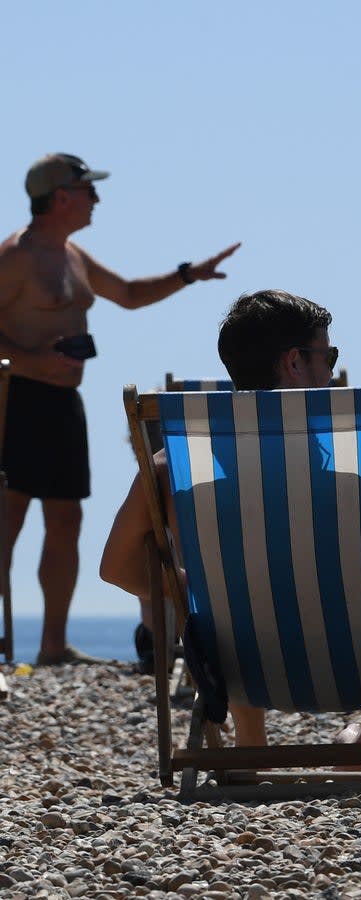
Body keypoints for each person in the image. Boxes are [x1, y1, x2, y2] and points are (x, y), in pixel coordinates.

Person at [100, 289, 361, 747]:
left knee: (236, 598)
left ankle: (250, 740)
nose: (331, 368)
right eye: (329, 355)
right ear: (295, 362)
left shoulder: (174, 466)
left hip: (237, 665)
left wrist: (193, 587)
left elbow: (116, 569)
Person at [0, 153, 240, 665]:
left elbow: (128, 294)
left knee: (66, 522)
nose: (97, 199)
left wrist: (187, 275)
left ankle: (51, 646)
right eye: (89, 190)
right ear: (61, 196)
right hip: (14, 400)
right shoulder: (16, 256)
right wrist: (34, 359)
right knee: (9, 520)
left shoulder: (71, 255)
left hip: (63, 403)